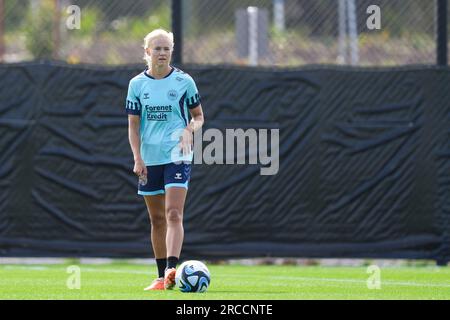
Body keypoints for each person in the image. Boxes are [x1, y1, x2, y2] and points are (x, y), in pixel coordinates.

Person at [125, 29, 204, 290]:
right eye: (157, 49)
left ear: (172, 51)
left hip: (178, 155)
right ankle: (161, 277)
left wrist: (188, 130)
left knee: (173, 213)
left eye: (166, 49)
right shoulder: (137, 84)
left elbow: (199, 117)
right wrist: (137, 158)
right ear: (147, 52)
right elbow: (133, 126)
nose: (162, 53)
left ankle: (172, 268)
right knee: (157, 218)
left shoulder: (184, 81)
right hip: (149, 158)